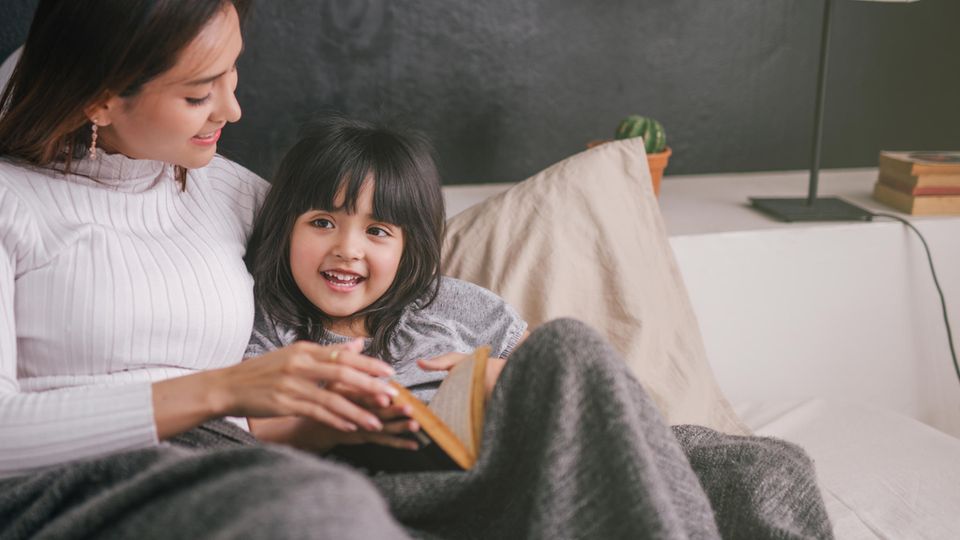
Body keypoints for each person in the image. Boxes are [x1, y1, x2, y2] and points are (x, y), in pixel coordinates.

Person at [243, 117, 835, 539]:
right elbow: (248, 429)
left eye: (377, 232)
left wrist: (501, 378)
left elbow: (560, 376)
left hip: (528, 447)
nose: (347, 249)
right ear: (285, 228)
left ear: (408, 248)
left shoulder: (453, 306)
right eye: (323, 221)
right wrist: (344, 413)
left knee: (765, 465)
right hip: (419, 485)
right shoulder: (266, 324)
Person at [0, 1, 409, 538]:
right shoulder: (11, 201)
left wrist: (486, 355)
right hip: (58, 487)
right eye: (198, 94)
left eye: (232, 71)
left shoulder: (230, 190)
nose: (232, 110)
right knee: (322, 505)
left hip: (225, 463)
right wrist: (223, 390)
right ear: (97, 99)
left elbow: (366, 267)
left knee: (549, 368)